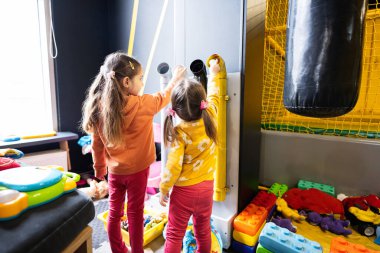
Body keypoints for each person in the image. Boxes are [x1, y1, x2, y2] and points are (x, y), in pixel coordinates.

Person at [81, 51, 186, 253]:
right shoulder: (143, 104)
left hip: (115, 173)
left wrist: (100, 169)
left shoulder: (98, 108)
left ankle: (118, 249)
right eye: (140, 78)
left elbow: (96, 144)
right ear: (127, 82)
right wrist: (175, 78)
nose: (142, 82)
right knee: (135, 214)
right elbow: (165, 96)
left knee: (114, 212)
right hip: (138, 172)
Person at [159, 59, 221, 253]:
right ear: (202, 103)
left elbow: (173, 166)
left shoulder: (179, 132)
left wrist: (164, 189)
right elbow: (215, 95)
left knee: (174, 233)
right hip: (206, 187)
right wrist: (214, 73)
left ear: (176, 111)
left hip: (184, 192)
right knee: (202, 229)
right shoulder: (211, 113)